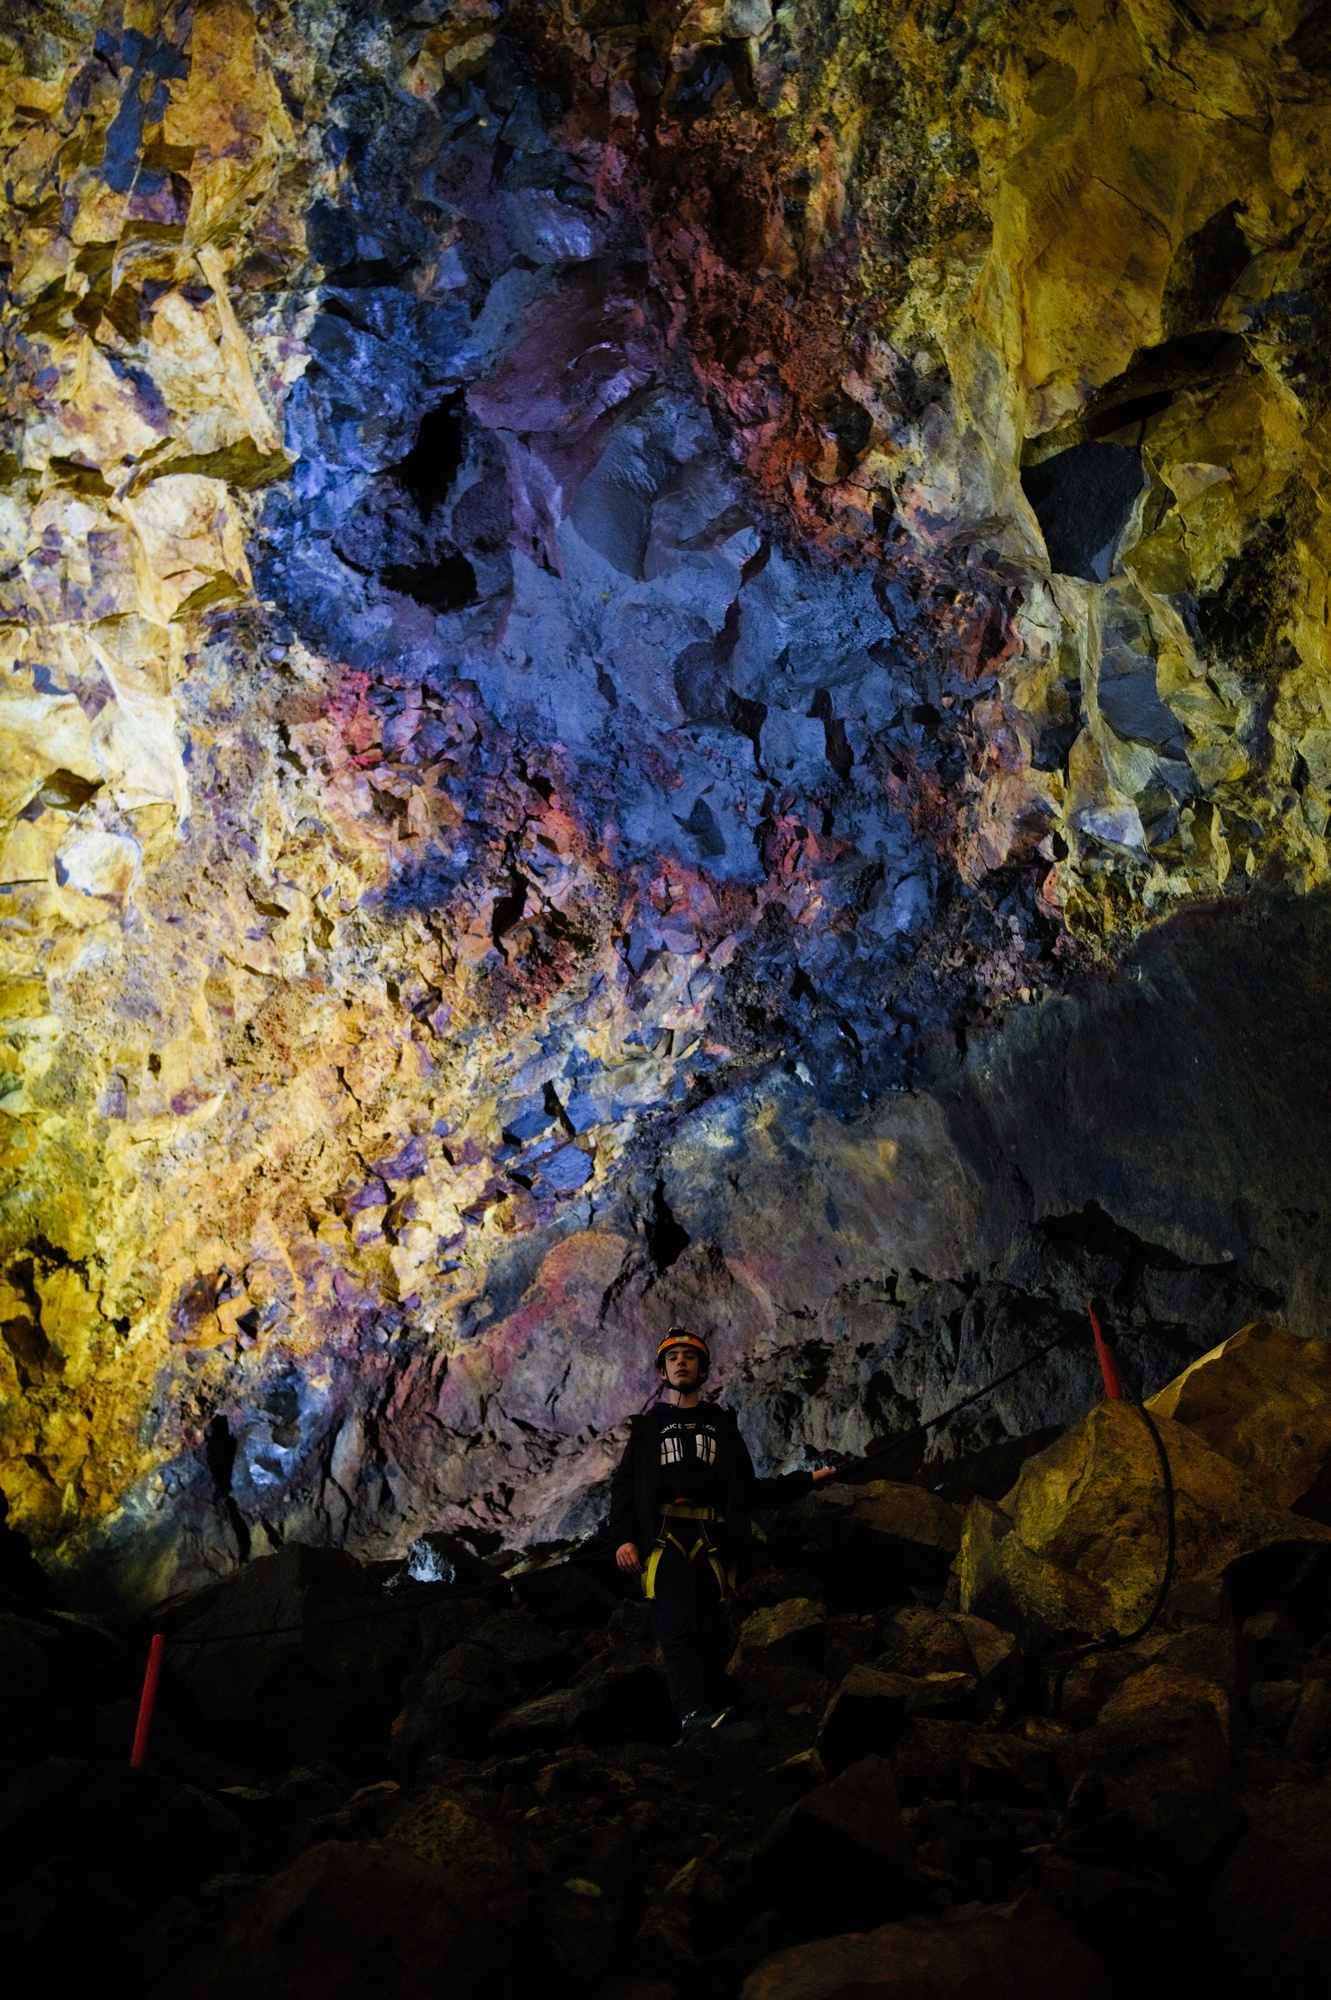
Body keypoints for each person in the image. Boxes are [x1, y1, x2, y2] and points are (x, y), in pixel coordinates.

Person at [608, 1325, 836, 1735]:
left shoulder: (720, 1424)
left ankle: (711, 1714)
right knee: (677, 1625)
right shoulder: (647, 1429)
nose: (681, 1362)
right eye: (673, 1358)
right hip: (664, 1543)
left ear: (703, 1369)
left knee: (711, 1629)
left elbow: (747, 1490)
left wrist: (806, 1481)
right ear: (662, 1371)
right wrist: (623, 1539)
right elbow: (624, 1488)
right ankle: (691, 1714)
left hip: (712, 1543)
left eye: (689, 1357)